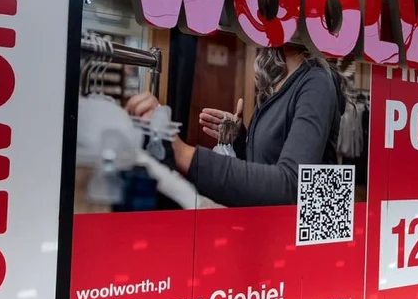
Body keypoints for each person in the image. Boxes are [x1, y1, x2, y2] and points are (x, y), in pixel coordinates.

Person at [127, 42, 345, 207]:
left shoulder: (317, 82)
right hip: (270, 225)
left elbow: (292, 186)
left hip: (305, 237)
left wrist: (184, 153)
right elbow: (265, 165)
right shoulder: (276, 80)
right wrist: (240, 139)